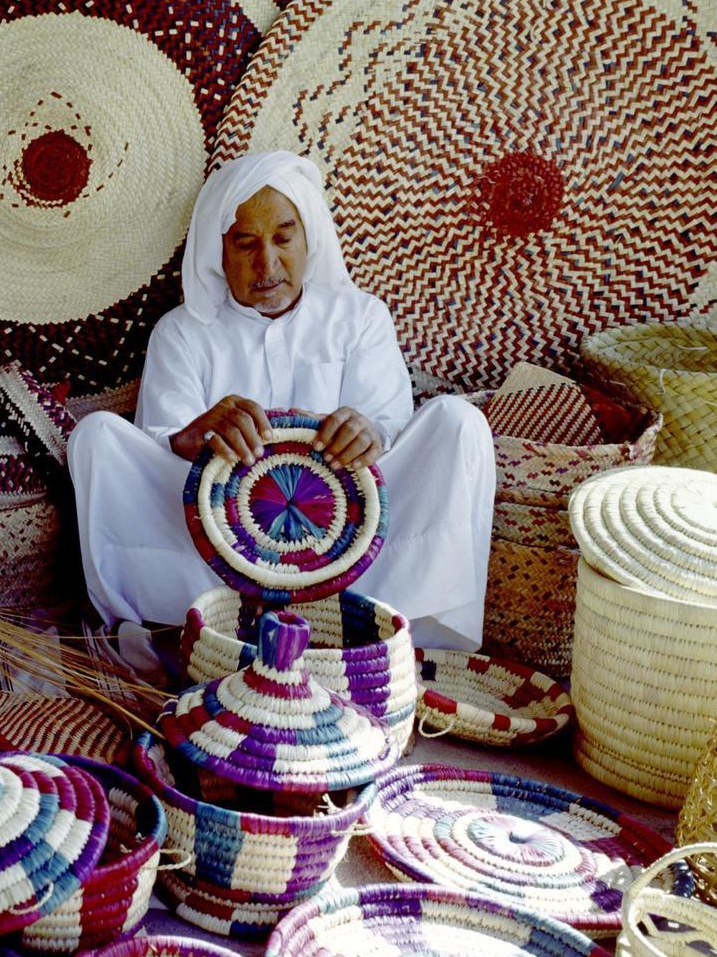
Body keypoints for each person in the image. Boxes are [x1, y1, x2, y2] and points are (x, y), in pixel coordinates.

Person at [70, 152, 494, 664]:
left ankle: (406, 638)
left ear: (309, 236)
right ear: (217, 251)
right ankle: (177, 632)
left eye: (283, 238)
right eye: (244, 242)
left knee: (458, 422)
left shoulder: (358, 317)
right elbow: (159, 445)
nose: (266, 264)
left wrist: (369, 432)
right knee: (95, 437)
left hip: (351, 537)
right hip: (217, 548)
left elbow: (391, 428)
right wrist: (194, 436)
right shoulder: (183, 332)